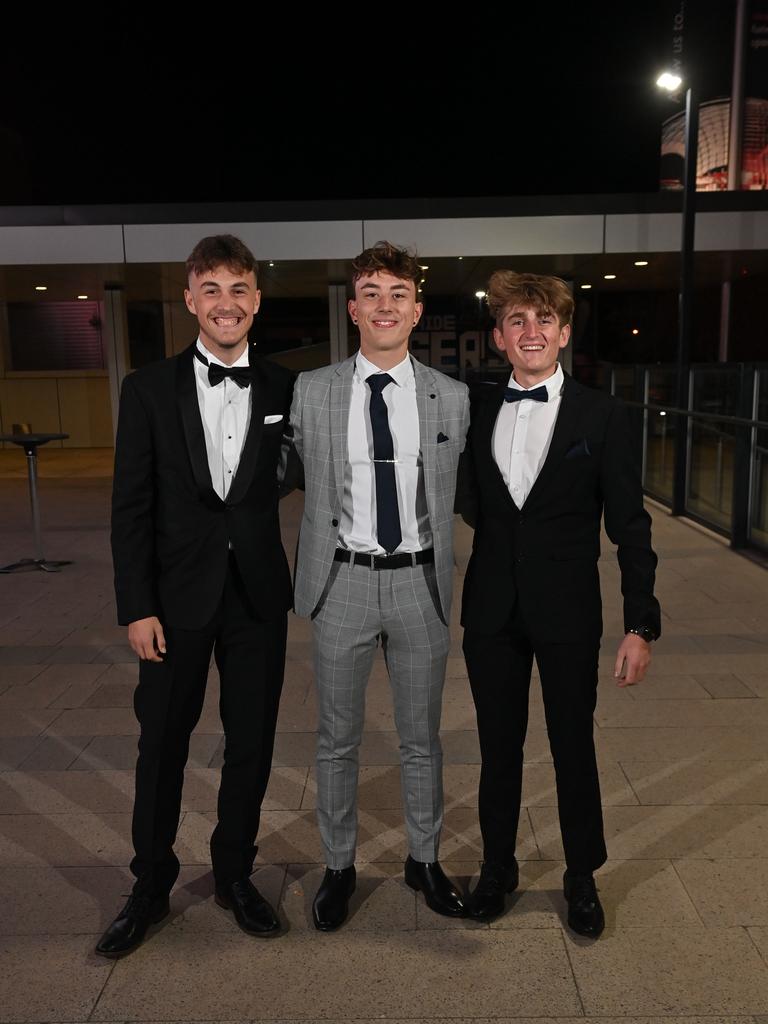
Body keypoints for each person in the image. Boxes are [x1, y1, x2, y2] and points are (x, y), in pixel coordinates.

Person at [97, 234, 294, 956]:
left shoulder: (282, 387)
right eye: (211, 289)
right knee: (162, 747)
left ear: (256, 299)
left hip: (257, 600)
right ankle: (149, 885)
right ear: (190, 300)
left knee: (250, 744)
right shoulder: (146, 388)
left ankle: (235, 874)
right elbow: (130, 508)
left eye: (238, 289)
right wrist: (136, 605)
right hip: (173, 603)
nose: (226, 303)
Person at [457, 271, 660, 938]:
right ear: (499, 337)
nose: (532, 332)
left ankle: (581, 876)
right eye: (518, 321)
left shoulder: (600, 416)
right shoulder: (475, 411)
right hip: (491, 612)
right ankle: (496, 869)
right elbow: (468, 503)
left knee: (573, 746)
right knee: (498, 747)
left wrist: (639, 622)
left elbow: (630, 525)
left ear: (565, 333)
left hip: (569, 613)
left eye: (545, 320)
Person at [287, 241, 470, 930]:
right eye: (371, 291)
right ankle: (339, 865)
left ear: (416, 310)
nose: (384, 304)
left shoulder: (451, 398)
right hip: (343, 585)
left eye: (398, 292)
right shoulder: (312, 390)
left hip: (421, 584)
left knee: (421, 737)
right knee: (337, 739)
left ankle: (423, 859)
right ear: (353, 307)